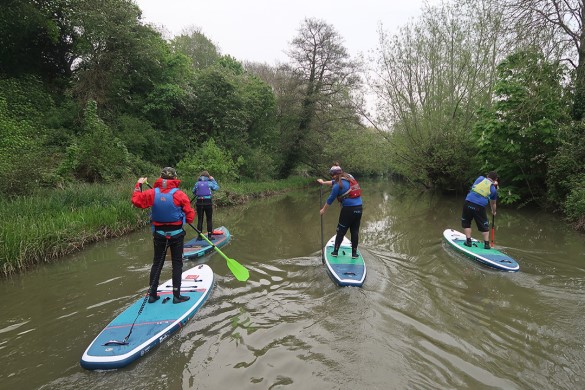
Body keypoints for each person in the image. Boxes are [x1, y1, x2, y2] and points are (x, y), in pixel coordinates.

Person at [131, 167, 195, 304]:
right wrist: (185, 217)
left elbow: (136, 201)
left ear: (161, 178)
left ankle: (152, 295)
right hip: (177, 235)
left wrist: (139, 184)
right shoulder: (180, 194)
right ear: (174, 178)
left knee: (157, 263)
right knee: (177, 264)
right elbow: (190, 216)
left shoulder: (152, 193)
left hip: (159, 235)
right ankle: (177, 296)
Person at [317, 164, 363, 259]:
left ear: (332, 175)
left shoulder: (337, 186)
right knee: (354, 231)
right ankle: (354, 254)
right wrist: (324, 182)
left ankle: (335, 252)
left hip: (348, 210)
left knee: (340, 231)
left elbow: (330, 199)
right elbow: (334, 181)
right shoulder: (349, 177)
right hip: (359, 208)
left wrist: (323, 210)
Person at [461, 171, 499, 249]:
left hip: (468, 202)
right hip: (480, 207)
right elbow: (493, 204)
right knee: (484, 226)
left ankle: (468, 241)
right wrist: (493, 211)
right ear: (496, 179)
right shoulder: (493, 190)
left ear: (487, 176)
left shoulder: (480, 178)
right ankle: (486, 244)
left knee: (466, 222)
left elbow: (477, 187)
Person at [192, 171, 219, 240]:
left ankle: (199, 236)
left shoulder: (197, 183)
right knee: (209, 219)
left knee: (200, 219)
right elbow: (216, 188)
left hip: (199, 202)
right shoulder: (210, 183)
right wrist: (213, 179)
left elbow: (193, 192)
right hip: (208, 203)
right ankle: (209, 236)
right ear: (208, 177)